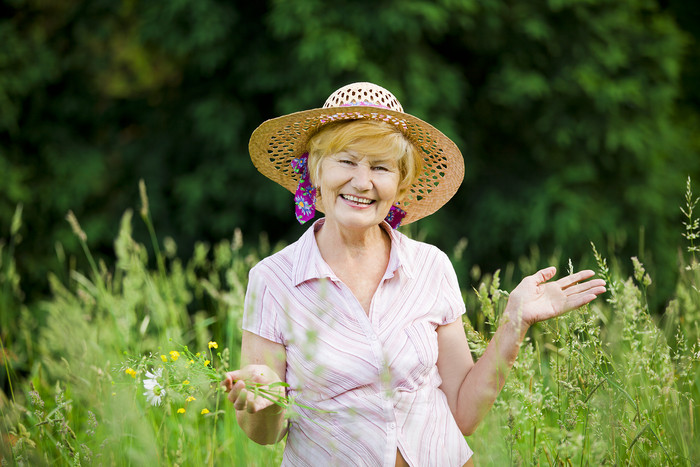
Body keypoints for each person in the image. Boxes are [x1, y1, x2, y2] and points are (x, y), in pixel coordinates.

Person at [222, 82, 606, 466]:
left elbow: (464, 414)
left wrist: (513, 322)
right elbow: (265, 435)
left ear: (400, 186)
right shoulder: (273, 279)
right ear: (315, 171)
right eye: (347, 161)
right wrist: (264, 403)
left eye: (380, 167)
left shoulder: (431, 265)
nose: (362, 181)